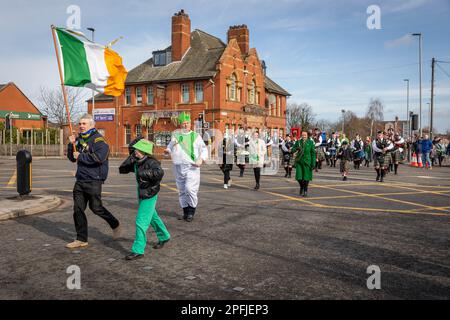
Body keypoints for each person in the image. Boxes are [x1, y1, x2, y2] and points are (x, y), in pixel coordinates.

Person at [66, 114, 120, 249]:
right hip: (80, 179)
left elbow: (99, 158)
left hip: (94, 180)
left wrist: (81, 156)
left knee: (96, 208)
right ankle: (81, 239)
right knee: (77, 209)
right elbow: (73, 159)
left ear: (91, 125)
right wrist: (70, 144)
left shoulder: (99, 141)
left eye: (84, 123)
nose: (81, 126)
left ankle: (115, 224)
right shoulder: (79, 140)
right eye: (80, 123)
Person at [119, 139, 170, 261]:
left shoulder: (152, 162)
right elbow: (122, 169)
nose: (134, 151)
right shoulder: (137, 161)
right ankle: (164, 236)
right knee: (152, 217)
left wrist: (144, 174)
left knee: (141, 221)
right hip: (142, 192)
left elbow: (159, 173)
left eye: (136, 150)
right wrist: (131, 158)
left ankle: (138, 250)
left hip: (149, 194)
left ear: (143, 151)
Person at [164, 112, 208, 222]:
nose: (186, 125)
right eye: (183, 123)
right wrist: (168, 150)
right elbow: (170, 145)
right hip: (178, 166)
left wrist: (200, 159)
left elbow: (204, 149)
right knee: (182, 190)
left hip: (191, 167)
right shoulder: (176, 135)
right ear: (180, 124)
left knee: (190, 189)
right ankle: (185, 211)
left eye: (187, 123)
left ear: (190, 124)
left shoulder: (196, 136)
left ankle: (191, 211)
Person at [291, 131, 316, 197]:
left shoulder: (310, 142)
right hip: (299, 161)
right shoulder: (298, 142)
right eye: (302, 135)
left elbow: (313, 153)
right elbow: (292, 150)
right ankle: (301, 186)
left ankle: (305, 190)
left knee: (306, 178)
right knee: (299, 177)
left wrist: (313, 163)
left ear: (307, 135)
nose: (304, 136)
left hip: (307, 162)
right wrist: (296, 148)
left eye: (305, 135)